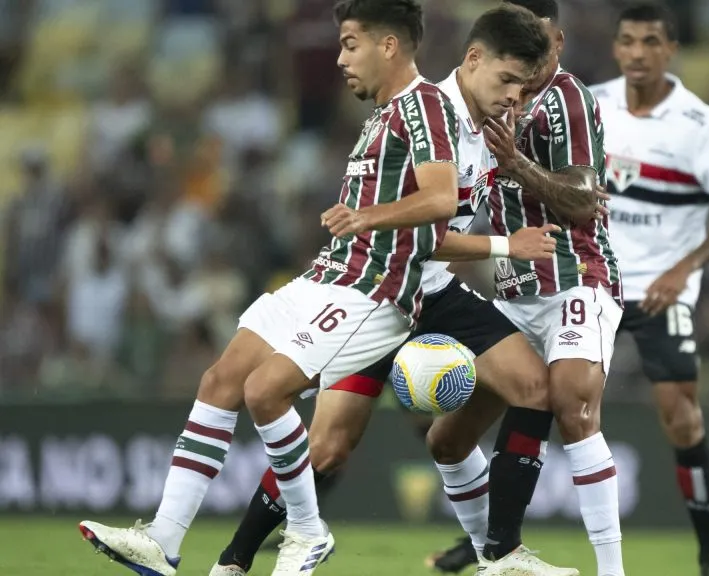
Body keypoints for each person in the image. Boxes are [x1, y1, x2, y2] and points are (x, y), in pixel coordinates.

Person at [78, 1, 465, 574]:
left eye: (350, 44)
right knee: (220, 380)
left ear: (389, 45)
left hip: (373, 291)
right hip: (327, 276)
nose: (339, 59)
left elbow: (443, 198)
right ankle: (163, 539)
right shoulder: (380, 116)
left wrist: (369, 217)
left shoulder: (426, 104)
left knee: (265, 391)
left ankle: (307, 531)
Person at [207, 5, 579, 576]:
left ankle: (502, 554)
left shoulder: (487, 130)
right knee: (327, 447)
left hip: (438, 293)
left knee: (533, 385)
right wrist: (510, 247)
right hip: (385, 292)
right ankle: (235, 558)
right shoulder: (435, 114)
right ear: (473, 59)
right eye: (508, 81)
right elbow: (424, 237)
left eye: (523, 87)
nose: (514, 96)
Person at [428, 1, 626, 574]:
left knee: (572, 405)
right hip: (514, 291)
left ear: (557, 43)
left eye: (538, 47)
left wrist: (516, 164)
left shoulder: (567, 98)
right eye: (517, 52)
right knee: (447, 440)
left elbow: (586, 200)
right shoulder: (483, 104)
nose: (529, 61)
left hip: (575, 276)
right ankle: (496, 555)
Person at [592, 3, 709, 575]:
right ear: (615, 48)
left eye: (650, 42)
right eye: (628, 41)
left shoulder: (700, 124)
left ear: (670, 50)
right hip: (595, 279)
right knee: (535, 396)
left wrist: (685, 268)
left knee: (681, 415)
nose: (637, 52)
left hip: (663, 287)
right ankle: (493, 540)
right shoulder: (593, 104)